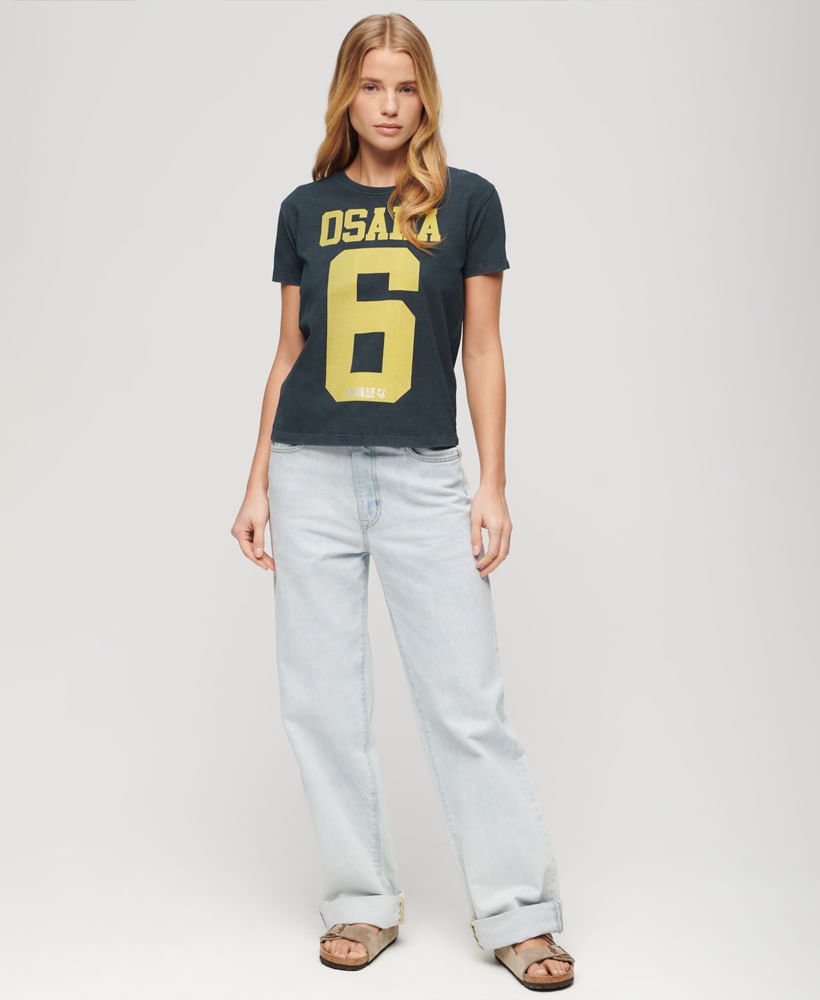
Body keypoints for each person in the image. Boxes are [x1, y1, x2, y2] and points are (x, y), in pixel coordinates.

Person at [231, 12, 575, 992]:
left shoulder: (467, 202)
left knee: (466, 703)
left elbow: (483, 349)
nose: (389, 105)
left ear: (427, 97)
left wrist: (492, 481)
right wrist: (256, 481)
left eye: (407, 87)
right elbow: (289, 353)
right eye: (373, 86)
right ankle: (360, 900)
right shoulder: (304, 208)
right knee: (320, 702)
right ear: (347, 94)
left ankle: (519, 914)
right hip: (308, 471)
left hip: (424, 476)